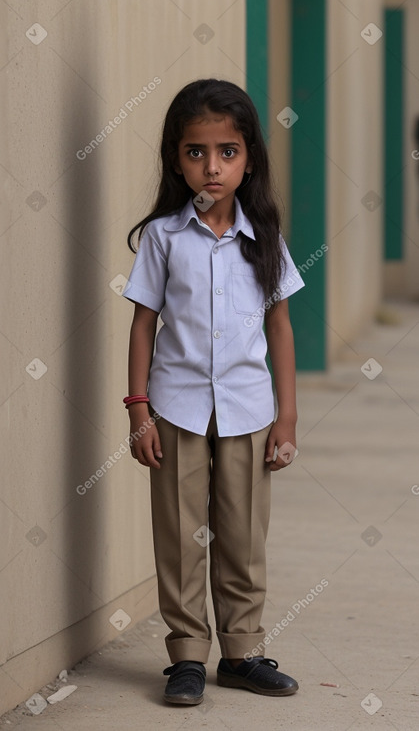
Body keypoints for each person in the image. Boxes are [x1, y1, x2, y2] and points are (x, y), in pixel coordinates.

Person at [122, 78, 304, 706]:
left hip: (251, 411)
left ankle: (243, 652)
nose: (212, 166)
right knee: (178, 532)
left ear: (249, 154)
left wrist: (287, 420)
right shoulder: (165, 237)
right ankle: (187, 658)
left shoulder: (265, 237)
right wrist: (138, 411)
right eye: (196, 152)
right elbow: (143, 323)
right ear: (176, 157)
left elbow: (279, 326)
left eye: (228, 151)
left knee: (243, 532)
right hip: (176, 408)